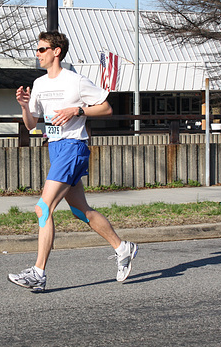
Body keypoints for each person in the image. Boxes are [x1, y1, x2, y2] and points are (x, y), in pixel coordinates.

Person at [8, 31, 138, 292]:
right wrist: (24, 107)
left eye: (42, 49)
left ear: (57, 51)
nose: (38, 53)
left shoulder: (76, 81)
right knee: (81, 211)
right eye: (37, 49)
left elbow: (106, 108)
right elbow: (32, 124)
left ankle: (38, 272)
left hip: (73, 148)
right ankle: (123, 248)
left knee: (43, 208)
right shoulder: (40, 83)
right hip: (55, 148)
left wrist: (77, 110)